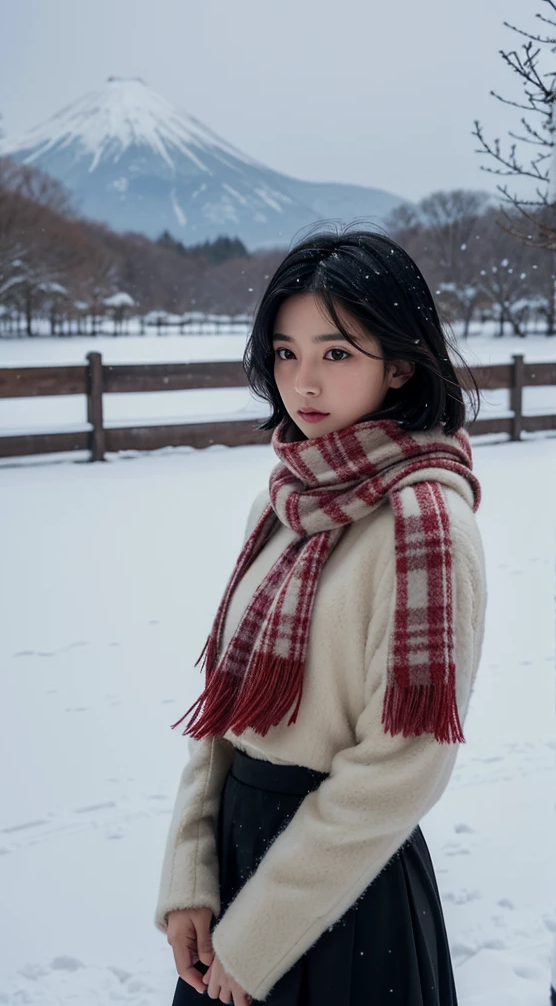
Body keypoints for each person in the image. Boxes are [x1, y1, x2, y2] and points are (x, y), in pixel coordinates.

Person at [153, 225, 488, 1006]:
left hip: (344, 895)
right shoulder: (281, 504)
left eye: (337, 353)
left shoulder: (426, 527)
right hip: (238, 864)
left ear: (400, 363)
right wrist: (190, 870)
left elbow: (403, 765)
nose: (303, 382)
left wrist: (264, 929)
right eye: (285, 351)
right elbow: (225, 706)